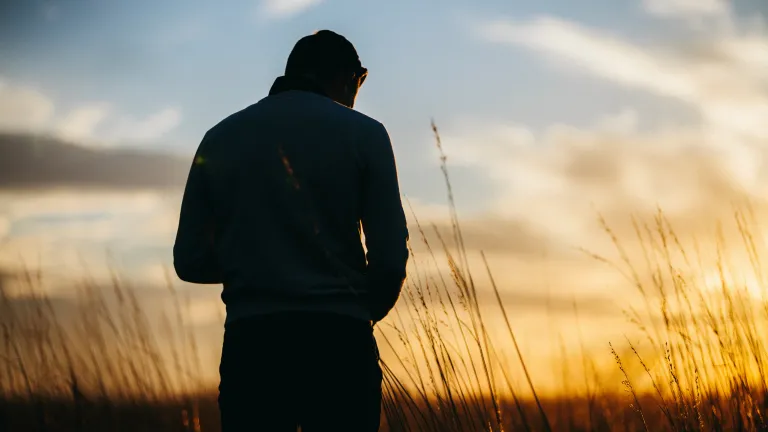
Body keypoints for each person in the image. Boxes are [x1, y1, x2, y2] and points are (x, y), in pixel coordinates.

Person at [173, 30, 409, 431]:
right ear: (346, 76)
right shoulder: (366, 134)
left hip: (254, 343)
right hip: (339, 344)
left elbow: (189, 260)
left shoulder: (219, 138)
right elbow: (389, 256)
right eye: (361, 79)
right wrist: (360, 315)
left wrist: (254, 265)